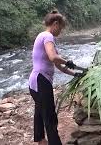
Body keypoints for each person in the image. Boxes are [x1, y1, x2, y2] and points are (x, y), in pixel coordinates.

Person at [28, 10, 80, 145]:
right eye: (61, 28)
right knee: (50, 116)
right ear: (55, 24)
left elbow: (58, 65)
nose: (60, 32)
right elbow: (53, 57)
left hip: (34, 81)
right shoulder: (48, 36)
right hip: (41, 81)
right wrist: (67, 60)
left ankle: (40, 140)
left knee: (39, 112)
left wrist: (75, 74)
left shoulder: (42, 36)